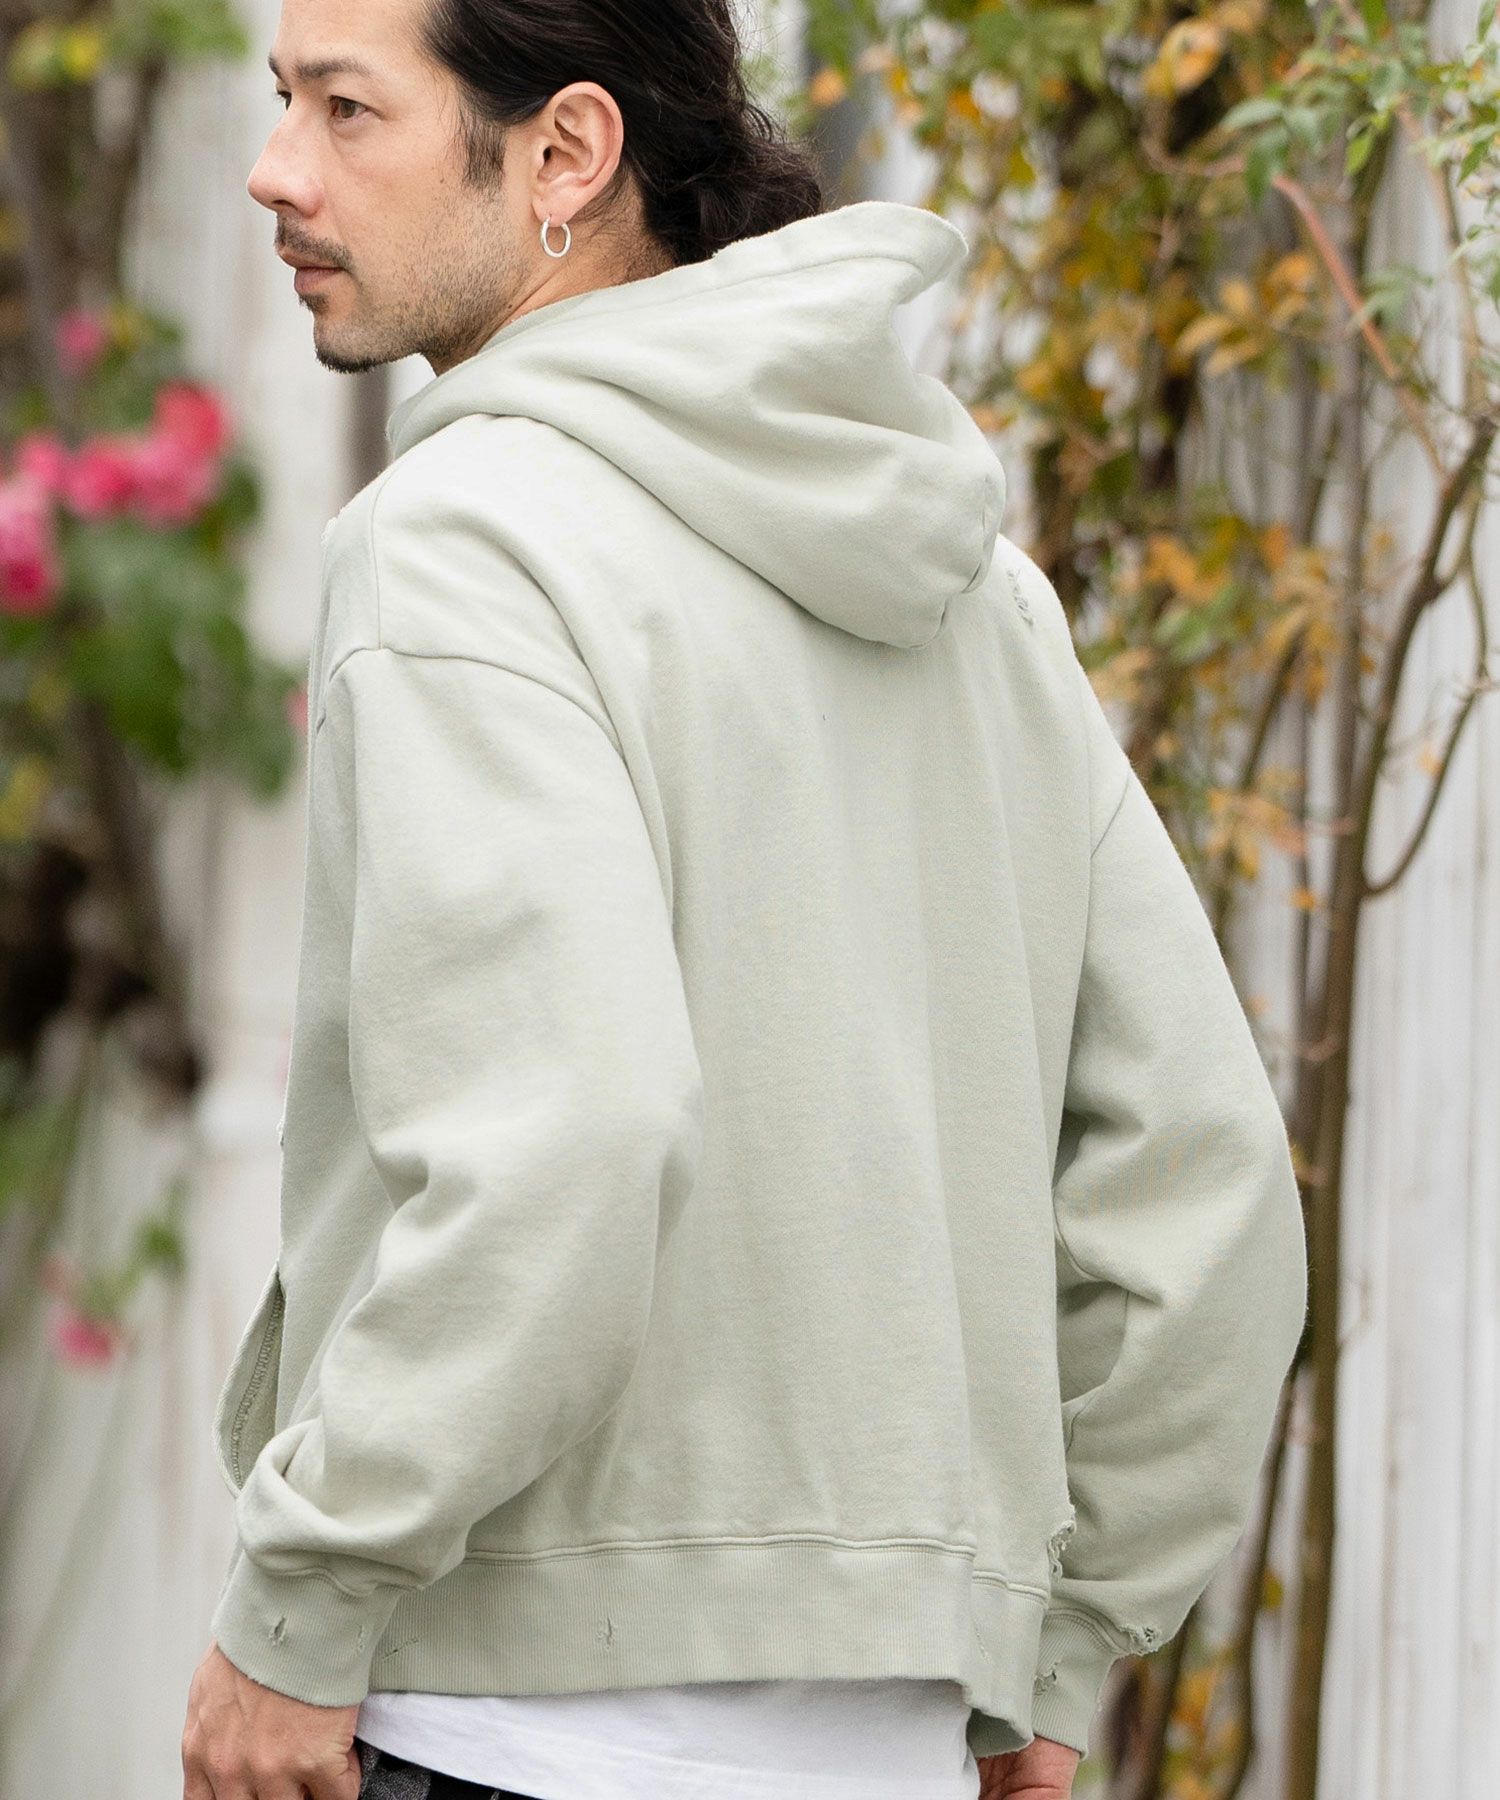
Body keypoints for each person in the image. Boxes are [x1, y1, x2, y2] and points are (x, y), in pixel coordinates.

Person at [180, 1, 1310, 1797]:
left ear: (565, 153)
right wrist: (1059, 1650)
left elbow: (570, 1135)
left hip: (504, 1736)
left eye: (345, 110)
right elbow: (1209, 1190)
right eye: (279, 102)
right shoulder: (976, 592)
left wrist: (305, 1595)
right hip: (893, 1745)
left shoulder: (463, 540)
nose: (275, 170)